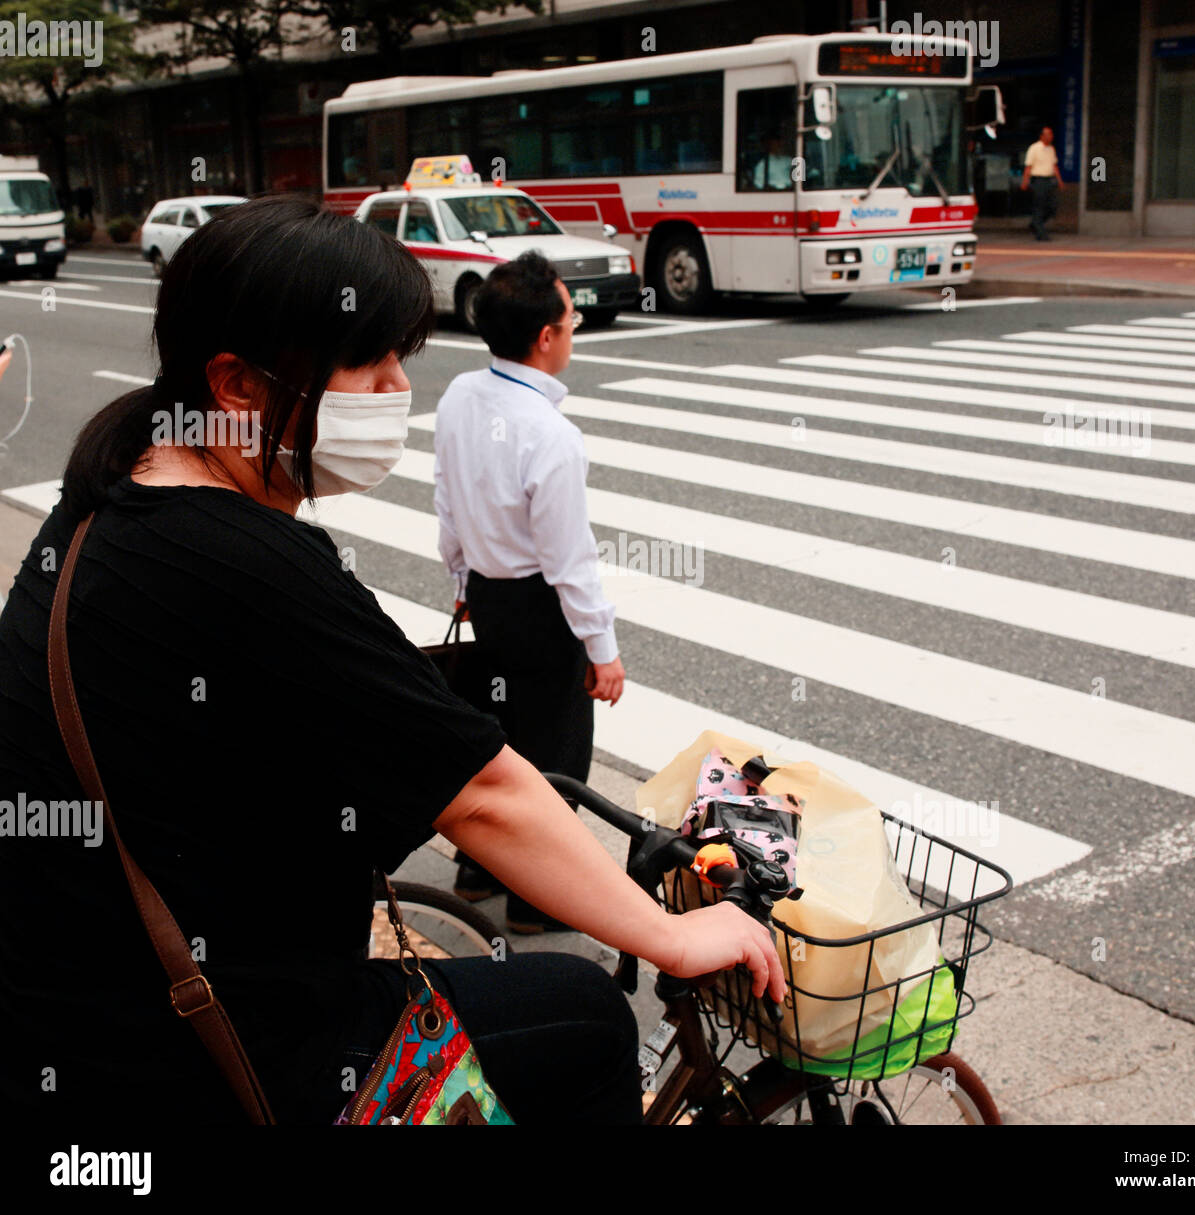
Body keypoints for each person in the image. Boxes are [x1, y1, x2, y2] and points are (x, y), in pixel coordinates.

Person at [0, 197, 784, 1125]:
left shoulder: (109, 488)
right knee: (584, 1013)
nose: (390, 390)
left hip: (74, 1003)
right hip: (203, 1055)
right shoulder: (246, 561)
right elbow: (486, 794)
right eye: (363, 365)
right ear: (237, 386)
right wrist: (671, 935)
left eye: (397, 360)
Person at [433, 251, 626, 933]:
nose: (572, 329)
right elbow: (569, 560)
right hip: (542, 613)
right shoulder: (551, 435)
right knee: (556, 754)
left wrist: (461, 580)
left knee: (499, 738)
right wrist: (602, 648)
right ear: (545, 335)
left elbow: (448, 503)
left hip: (487, 597)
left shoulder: (459, 395)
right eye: (570, 319)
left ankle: (476, 866)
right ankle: (534, 902)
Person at [1020, 126, 1063, 241]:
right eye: (1048, 134)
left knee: (1052, 206)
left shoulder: (1051, 149)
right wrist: (1025, 181)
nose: (1050, 136)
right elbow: (1028, 167)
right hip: (1038, 180)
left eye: (1051, 134)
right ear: (1042, 136)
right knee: (1039, 206)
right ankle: (1041, 233)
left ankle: (1035, 223)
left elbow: (1054, 166)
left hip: (1049, 180)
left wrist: (1059, 181)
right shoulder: (1034, 148)